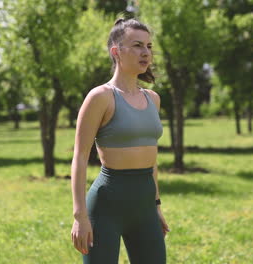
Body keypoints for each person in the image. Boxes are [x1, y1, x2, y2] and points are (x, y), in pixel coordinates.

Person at [70, 18, 170, 264]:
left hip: (145, 204)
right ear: (116, 52)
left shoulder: (153, 99)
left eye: (148, 46)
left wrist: (156, 204)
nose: (145, 52)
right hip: (106, 206)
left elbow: (152, 158)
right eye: (137, 45)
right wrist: (80, 215)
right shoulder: (100, 97)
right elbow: (80, 157)